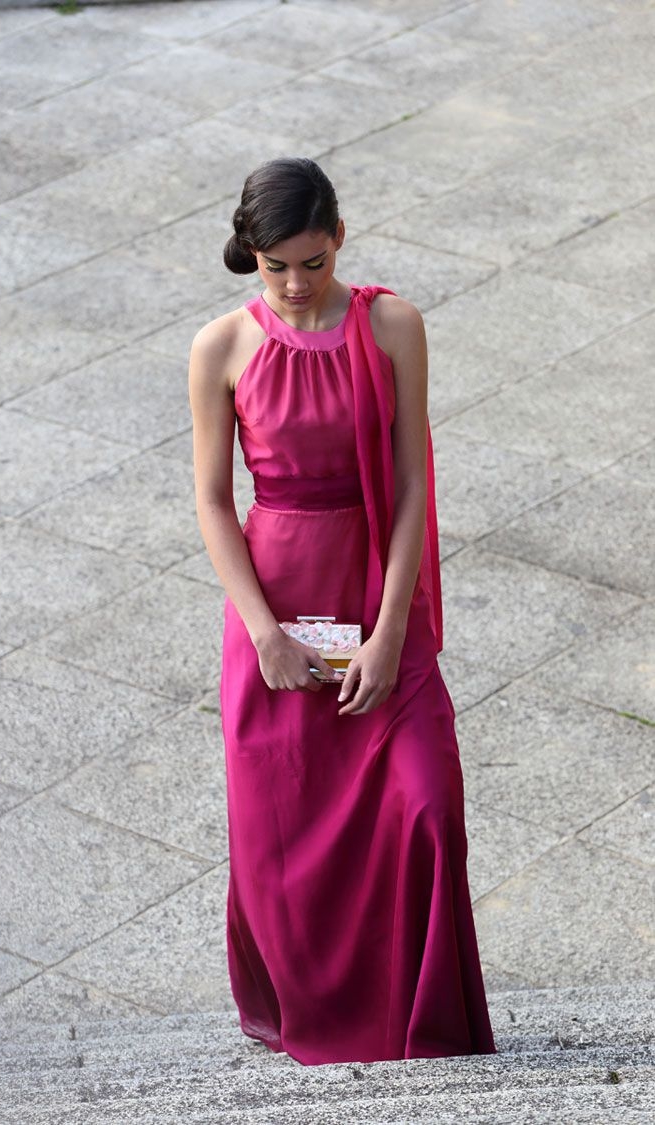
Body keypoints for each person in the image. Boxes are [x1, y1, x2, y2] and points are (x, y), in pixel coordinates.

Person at [188, 157, 496, 1065]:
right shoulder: (221, 347)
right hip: (275, 614)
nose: (292, 283)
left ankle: (423, 1025)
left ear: (340, 239)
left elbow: (409, 483)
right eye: (273, 264)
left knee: (428, 806)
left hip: (376, 594)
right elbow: (211, 499)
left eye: (311, 262)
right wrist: (263, 633)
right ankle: (319, 1020)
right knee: (287, 841)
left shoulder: (394, 324)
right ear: (251, 253)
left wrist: (393, 628)